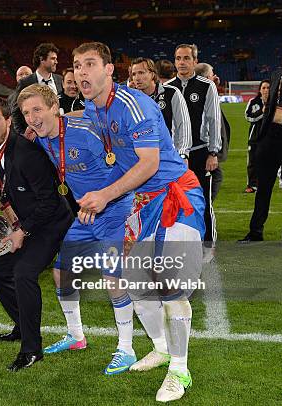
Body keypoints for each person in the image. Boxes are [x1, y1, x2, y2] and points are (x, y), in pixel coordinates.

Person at [73, 41, 205, 402]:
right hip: (143, 204)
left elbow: (149, 163)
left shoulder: (132, 104)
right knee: (135, 282)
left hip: (177, 196)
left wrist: (105, 196)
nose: (81, 72)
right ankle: (161, 349)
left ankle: (179, 370)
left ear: (109, 69)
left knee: (171, 282)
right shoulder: (91, 108)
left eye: (89, 64)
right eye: (76, 65)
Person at [20, 84, 140, 369]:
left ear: (54, 108)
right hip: (85, 216)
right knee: (62, 272)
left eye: (37, 110)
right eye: (26, 113)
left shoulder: (86, 134)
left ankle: (127, 348)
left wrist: (111, 202)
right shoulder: (40, 138)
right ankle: (76, 336)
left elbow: (126, 168)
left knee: (113, 280)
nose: (32, 118)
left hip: (114, 210)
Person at [0, 95, 72, 371]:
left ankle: (32, 349)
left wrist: (23, 231)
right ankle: (23, 326)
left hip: (51, 222)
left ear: (8, 121)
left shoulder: (27, 153)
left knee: (24, 273)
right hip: (26, 223)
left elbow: (50, 202)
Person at [239, 41, 282, 249]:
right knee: (263, 189)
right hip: (270, 140)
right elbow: (271, 106)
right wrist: (262, 137)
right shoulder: (276, 75)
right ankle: (255, 232)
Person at [166, 44, 221, 262]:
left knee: (203, 201)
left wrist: (213, 152)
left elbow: (214, 120)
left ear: (194, 61)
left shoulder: (207, 86)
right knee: (176, 201)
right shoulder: (168, 88)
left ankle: (208, 245)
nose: (181, 62)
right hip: (176, 156)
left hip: (200, 153)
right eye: (178, 58)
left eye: (186, 58)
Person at [130, 57, 192, 161]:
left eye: (141, 72)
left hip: (169, 157)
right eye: (134, 74)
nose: (137, 78)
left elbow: (183, 125)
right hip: (142, 159)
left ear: (152, 74)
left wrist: (183, 154)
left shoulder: (171, 93)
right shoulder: (132, 99)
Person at [194, 62, 229, 201]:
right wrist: (212, 152)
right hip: (205, 151)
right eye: (211, 74)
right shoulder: (202, 95)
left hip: (205, 151)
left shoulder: (205, 91)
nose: (215, 76)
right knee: (208, 188)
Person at [11, 43, 63, 135]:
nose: (56, 62)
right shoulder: (25, 82)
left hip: (60, 134)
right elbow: (16, 112)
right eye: (53, 58)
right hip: (36, 137)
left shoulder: (60, 80)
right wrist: (22, 135)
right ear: (42, 59)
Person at [243, 80, 270, 193]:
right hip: (255, 137)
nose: (266, 90)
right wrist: (262, 113)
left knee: (269, 162)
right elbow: (248, 117)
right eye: (263, 88)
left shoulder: (276, 102)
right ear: (260, 90)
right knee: (253, 161)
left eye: (268, 88)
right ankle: (252, 185)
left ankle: (269, 183)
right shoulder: (253, 101)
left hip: (271, 137)